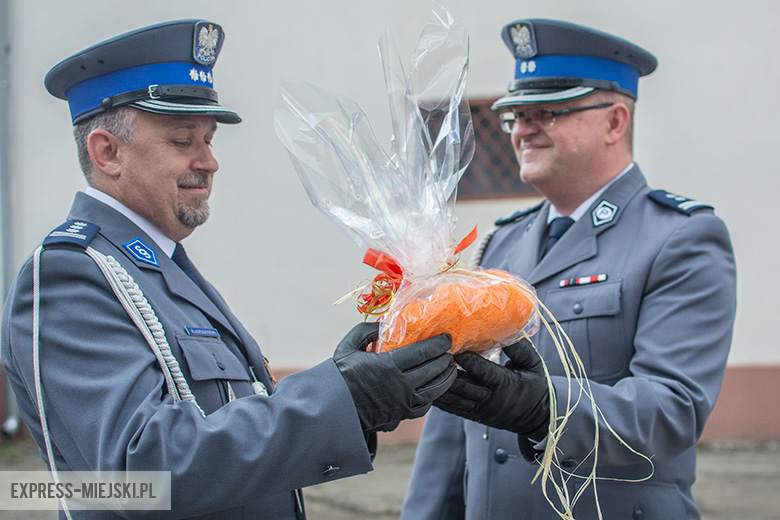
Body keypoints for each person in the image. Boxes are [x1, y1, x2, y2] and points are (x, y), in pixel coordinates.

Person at [0, 19, 458, 519]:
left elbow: (228, 434)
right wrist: (342, 398)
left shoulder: (158, 266)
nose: (210, 160)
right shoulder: (73, 276)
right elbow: (139, 476)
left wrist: (357, 393)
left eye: (209, 139)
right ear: (107, 152)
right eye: (182, 141)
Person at [401, 18, 737, 520]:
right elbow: (455, 422)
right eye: (516, 113)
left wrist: (542, 407)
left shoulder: (680, 237)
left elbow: (672, 410)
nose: (523, 127)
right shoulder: (503, 243)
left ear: (615, 122)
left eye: (549, 111)